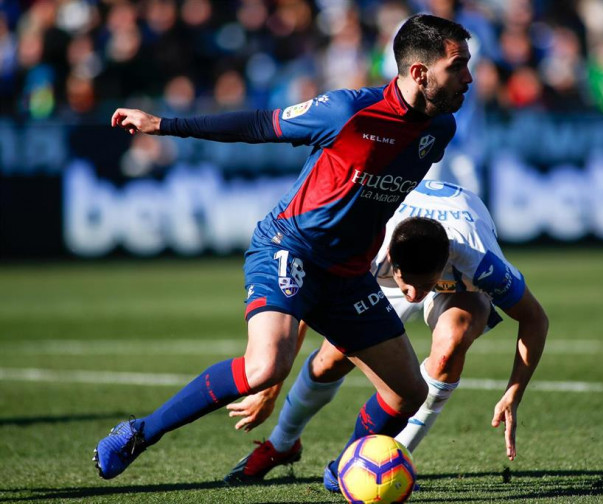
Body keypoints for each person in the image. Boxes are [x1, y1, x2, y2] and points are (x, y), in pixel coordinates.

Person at [93, 14, 473, 484]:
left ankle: (348, 469)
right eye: (458, 67)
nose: (469, 78)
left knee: (408, 395)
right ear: (419, 72)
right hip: (288, 247)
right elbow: (257, 124)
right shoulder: (347, 111)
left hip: (348, 274)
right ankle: (138, 433)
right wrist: (164, 124)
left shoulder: (440, 130)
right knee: (266, 366)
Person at [223, 180, 549, 490]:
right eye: (408, 284)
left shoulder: (480, 262)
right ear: (392, 260)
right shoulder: (365, 245)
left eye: (425, 285)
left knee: (453, 341)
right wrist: (271, 389)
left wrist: (514, 392)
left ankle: (393, 458)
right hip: (380, 272)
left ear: (445, 263)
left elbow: (535, 319)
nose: (413, 295)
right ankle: (281, 444)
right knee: (331, 360)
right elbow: (305, 308)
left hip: (458, 278)